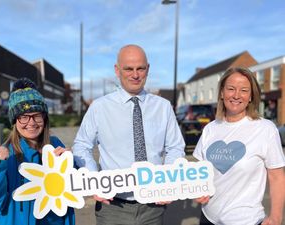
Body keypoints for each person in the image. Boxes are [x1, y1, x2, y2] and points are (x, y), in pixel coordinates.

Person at [73, 44, 185, 225]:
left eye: (140, 68)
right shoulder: (100, 107)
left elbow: (175, 147)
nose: (135, 75)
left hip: (153, 207)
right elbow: (81, 145)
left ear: (147, 69)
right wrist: (94, 180)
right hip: (113, 207)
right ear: (117, 70)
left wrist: (168, 184)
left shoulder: (163, 107)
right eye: (129, 69)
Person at [193, 67, 285, 225]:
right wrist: (198, 189)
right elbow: (200, 171)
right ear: (222, 93)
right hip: (208, 217)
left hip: (246, 220)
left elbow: (276, 176)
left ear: (250, 96)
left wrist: (276, 216)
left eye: (244, 90)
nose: (236, 95)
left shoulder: (265, 129)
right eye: (231, 89)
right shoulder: (210, 128)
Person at [0, 78, 75, 225]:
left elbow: (75, 189)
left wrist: (70, 164)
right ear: (14, 121)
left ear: (44, 118)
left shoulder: (56, 145)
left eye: (37, 115)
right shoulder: (6, 155)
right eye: (23, 117)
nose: (31, 122)